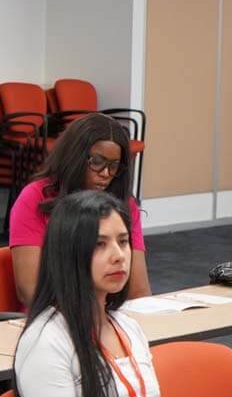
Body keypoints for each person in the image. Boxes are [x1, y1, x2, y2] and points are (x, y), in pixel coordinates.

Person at [14, 190, 173, 397]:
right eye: (100, 244)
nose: (119, 256)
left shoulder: (127, 327)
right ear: (68, 254)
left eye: (122, 241)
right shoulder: (45, 342)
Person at [10, 114, 150, 307]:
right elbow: (29, 289)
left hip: (109, 315)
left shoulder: (124, 204)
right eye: (97, 162)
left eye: (114, 166)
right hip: (54, 317)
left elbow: (139, 291)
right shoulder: (35, 197)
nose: (106, 173)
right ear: (74, 157)